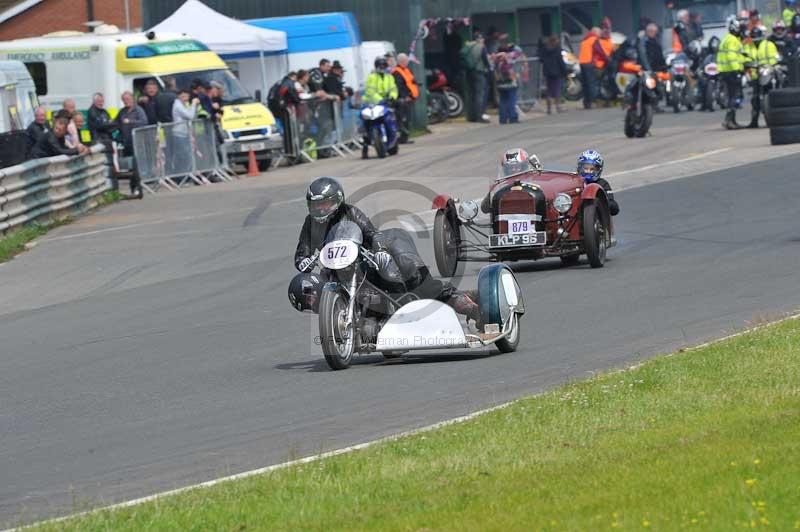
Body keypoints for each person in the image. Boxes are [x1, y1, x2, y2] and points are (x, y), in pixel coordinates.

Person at [289, 177, 481, 323]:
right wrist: (303, 261)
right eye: (315, 205)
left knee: (416, 282)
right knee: (302, 288)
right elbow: (302, 253)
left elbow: (371, 233)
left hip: (360, 263)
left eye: (323, 204)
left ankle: (467, 305)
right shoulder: (310, 223)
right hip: (333, 269)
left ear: (336, 200)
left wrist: (379, 250)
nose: (320, 209)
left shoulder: (350, 212)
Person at [113, 91, 147, 195]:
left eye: (127, 99)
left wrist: (131, 122)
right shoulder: (122, 111)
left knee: (136, 166)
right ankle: (133, 188)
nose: (126, 101)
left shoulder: (138, 110)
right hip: (126, 143)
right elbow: (116, 123)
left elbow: (144, 122)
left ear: (132, 99)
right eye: (124, 100)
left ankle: (138, 187)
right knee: (130, 167)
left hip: (137, 142)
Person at [747, 26, 780, 128]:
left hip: (770, 71)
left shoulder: (769, 45)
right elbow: (746, 59)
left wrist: (775, 65)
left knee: (779, 87)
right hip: (756, 75)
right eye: (754, 38)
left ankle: (779, 115)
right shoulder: (749, 47)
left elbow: (775, 57)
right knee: (755, 98)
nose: (756, 41)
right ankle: (754, 120)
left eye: (758, 38)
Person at [718, 16, 747, 129]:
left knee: (732, 96)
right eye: (740, 28)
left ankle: (731, 121)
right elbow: (732, 56)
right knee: (734, 97)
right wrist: (737, 70)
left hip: (725, 71)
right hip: (731, 71)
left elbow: (737, 55)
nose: (741, 31)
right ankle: (729, 121)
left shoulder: (726, 38)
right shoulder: (732, 40)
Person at [577, 150, 619, 216]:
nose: (588, 171)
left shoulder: (603, 183)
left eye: (592, 169)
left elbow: (615, 209)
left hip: (596, 219)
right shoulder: (575, 182)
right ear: (580, 168)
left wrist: (601, 201)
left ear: (598, 170)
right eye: (586, 168)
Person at [462, 31, 491, 122]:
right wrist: (489, 68)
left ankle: (470, 116)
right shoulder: (481, 47)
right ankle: (479, 116)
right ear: (480, 39)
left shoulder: (467, 46)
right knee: (480, 94)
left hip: (468, 72)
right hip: (479, 72)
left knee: (471, 94)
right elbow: (486, 60)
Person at [392, 53, 419, 143]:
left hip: (410, 99)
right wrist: (405, 97)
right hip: (404, 100)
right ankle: (403, 138)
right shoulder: (397, 72)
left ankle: (405, 137)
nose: (408, 62)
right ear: (402, 61)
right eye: (406, 60)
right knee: (404, 119)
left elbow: (410, 81)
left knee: (407, 119)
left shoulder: (406, 70)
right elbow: (399, 87)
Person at [171, 89, 199, 174]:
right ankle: (180, 176)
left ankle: (187, 174)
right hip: (179, 134)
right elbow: (190, 116)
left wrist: (195, 106)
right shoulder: (178, 105)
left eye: (186, 95)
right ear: (178, 96)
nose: (184, 97)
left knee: (187, 155)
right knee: (183, 156)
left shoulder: (184, 104)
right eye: (182, 96)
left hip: (184, 134)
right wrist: (194, 103)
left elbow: (193, 115)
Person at [540, 34, 567, 114]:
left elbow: (541, 58)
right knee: (557, 90)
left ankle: (549, 109)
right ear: (555, 41)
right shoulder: (557, 49)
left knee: (549, 90)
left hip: (547, 72)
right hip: (556, 72)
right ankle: (558, 107)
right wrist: (564, 71)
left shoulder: (544, 49)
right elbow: (560, 61)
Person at [494, 48, 519, 123]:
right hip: (510, 85)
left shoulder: (497, 64)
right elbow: (518, 53)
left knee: (503, 102)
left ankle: (502, 118)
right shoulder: (507, 64)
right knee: (511, 101)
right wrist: (515, 77)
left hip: (500, 85)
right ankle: (512, 117)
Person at [593, 20, 615, 106]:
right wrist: (608, 58)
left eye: (609, 28)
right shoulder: (598, 40)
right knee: (599, 83)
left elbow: (612, 50)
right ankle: (598, 100)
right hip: (600, 65)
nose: (608, 30)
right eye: (606, 28)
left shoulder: (609, 39)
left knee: (608, 82)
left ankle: (608, 100)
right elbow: (601, 52)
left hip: (607, 65)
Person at [579, 27, 600, 108]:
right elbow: (600, 51)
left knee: (585, 84)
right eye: (599, 33)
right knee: (591, 83)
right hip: (589, 63)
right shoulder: (594, 39)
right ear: (595, 33)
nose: (599, 34)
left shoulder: (585, 40)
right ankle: (592, 102)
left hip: (582, 63)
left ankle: (586, 102)